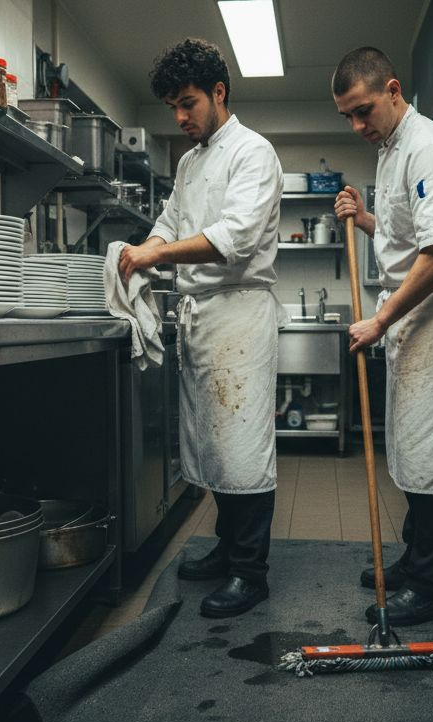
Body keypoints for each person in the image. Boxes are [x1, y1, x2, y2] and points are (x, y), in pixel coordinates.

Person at [120, 38, 284, 619]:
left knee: (242, 446)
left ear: (219, 92)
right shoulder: (189, 163)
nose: (180, 117)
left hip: (239, 312)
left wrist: (153, 258)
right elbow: (167, 221)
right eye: (171, 107)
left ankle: (251, 572)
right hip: (201, 317)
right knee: (212, 442)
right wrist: (144, 247)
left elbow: (233, 237)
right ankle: (227, 547)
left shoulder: (253, 153)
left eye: (188, 103)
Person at [331, 47, 433, 626]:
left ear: (394, 89)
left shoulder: (429, 147)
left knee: (429, 454)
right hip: (410, 314)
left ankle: (430, 586)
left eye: (363, 110)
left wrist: (380, 319)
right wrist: (365, 216)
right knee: (407, 449)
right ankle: (411, 560)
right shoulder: (392, 147)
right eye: (347, 115)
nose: (356, 126)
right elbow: (407, 235)